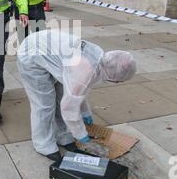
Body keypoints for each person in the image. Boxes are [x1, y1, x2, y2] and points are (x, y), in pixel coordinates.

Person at [17, 29, 137, 160]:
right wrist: (81, 134)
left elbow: (78, 91)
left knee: (61, 94)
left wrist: (85, 112)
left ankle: (62, 135)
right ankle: (42, 143)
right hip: (31, 54)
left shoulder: (100, 57)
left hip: (50, 50)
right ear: (113, 77)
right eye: (118, 81)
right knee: (44, 104)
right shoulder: (84, 72)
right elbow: (69, 107)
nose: (116, 83)